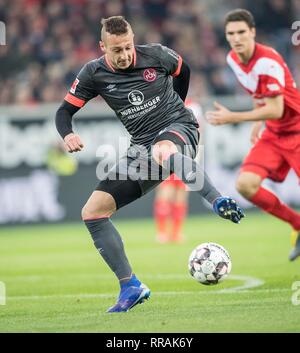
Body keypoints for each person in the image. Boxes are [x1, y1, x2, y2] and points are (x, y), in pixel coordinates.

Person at [55, 16, 244, 313]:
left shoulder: (156, 54)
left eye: (128, 46)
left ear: (133, 40)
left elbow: (184, 70)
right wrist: (67, 135)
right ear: (103, 47)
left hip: (179, 128)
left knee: (162, 149)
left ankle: (217, 199)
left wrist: (176, 106)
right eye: (116, 49)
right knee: (92, 212)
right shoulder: (93, 73)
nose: (124, 54)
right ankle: (130, 285)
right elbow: (64, 111)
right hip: (140, 147)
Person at [206, 9, 300, 261]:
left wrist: (234, 117)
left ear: (253, 33)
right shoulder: (233, 60)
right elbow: (259, 94)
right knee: (245, 185)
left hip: (297, 129)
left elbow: (278, 108)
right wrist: (258, 120)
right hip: (274, 132)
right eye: (231, 34)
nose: (236, 38)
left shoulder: (267, 61)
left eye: (241, 33)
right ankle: (298, 224)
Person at [153, 99, 203, 243]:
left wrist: (196, 155)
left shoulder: (193, 105)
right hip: (167, 153)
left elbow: (198, 132)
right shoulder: (164, 101)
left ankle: (175, 234)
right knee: (165, 193)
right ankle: (162, 233)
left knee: (180, 195)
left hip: (186, 154)